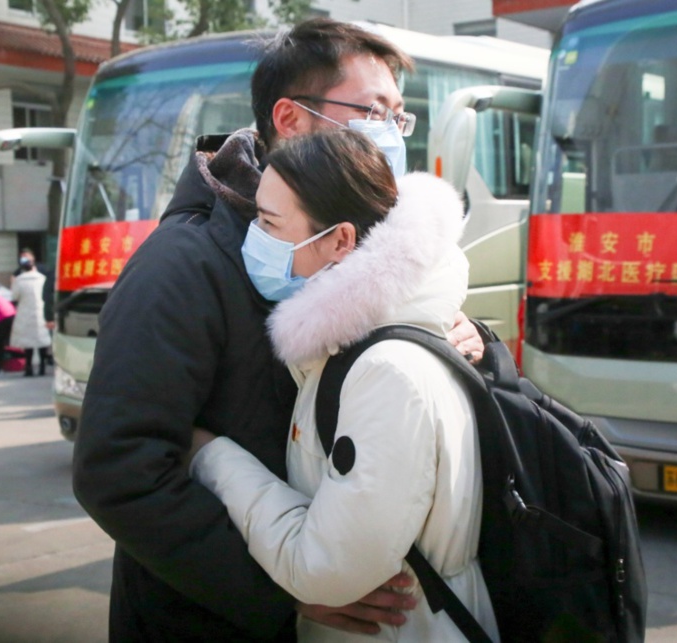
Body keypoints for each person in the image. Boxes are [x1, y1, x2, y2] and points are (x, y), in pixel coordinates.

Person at [72, 18, 484, 641]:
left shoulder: (364, 237)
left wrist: (468, 342)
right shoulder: (183, 265)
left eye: (400, 117)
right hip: (208, 621)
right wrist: (281, 592)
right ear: (289, 120)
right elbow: (118, 469)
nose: (392, 135)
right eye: (373, 111)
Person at [188, 129, 498, 642]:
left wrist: (211, 457)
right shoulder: (356, 345)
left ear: (340, 241)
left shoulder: (386, 375)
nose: (253, 239)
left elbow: (324, 568)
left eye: (268, 223)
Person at [9, 255, 51, 377]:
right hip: (40, 312)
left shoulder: (19, 280)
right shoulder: (42, 278)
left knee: (28, 344)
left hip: (25, 313)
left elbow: (14, 296)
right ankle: (42, 367)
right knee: (42, 341)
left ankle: (29, 368)